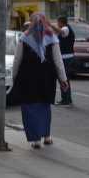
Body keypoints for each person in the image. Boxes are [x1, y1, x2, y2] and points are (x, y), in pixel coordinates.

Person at [12, 13, 69, 149]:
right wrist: (63, 79)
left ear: (31, 22)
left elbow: (17, 59)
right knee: (44, 106)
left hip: (27, 77)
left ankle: (36, 138)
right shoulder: (52, 37)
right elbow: (58, 60)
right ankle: (47, 136)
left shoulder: (24, 37)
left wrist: (14, 76)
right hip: (47, 77)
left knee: (30, 107)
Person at [51, 16, 75, 105]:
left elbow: (61, 32)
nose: (57, 24)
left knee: (63, 78)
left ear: (61, 22)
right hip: (67, 57)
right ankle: (67, 98)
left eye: (58, 22)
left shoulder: (66, 28)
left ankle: (66, 99)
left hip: (66, 57)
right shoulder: (66, 28)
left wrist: (50, 25)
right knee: (64, 79)